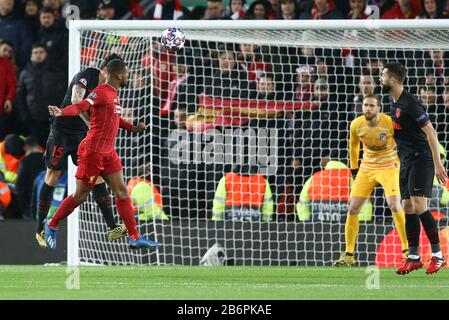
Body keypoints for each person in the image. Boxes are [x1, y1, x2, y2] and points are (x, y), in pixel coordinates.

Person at [45, 59, 161, 251]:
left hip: (108, 152)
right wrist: (62, 112)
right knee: (80, 196)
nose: (128, 76)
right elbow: (80, 105)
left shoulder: (115, 95)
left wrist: (133, 128)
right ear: (119, 75)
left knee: (122, 192)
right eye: (126, 73)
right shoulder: (100, 92)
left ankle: (134, 237)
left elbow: (116, 120)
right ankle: (52, 224)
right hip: (92, 152)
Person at [35, 54, 126, 249]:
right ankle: (40, 228)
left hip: (82, 137)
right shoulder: (87, 76)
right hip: (62, 131)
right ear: (106, 71)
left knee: (98, 176)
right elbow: (76, 103)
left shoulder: (109, 91)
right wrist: (92, 127)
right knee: (53, 175)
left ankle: (112, 227)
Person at [381, 61, 448, 275]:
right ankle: (413, 256)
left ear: (392, 79)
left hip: (422, 160)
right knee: (407, 206)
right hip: (407, 161)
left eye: (382, 76)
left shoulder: (410, 103)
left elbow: (431, 132)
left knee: (419, 205)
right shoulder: (395, 103)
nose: (380, 79)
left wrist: (438, 164)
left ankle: (438, 256)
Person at [334, 94, 408, 267]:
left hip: (389, 166)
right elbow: (353, 146)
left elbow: (404, 143)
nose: (367, 108)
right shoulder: (356, 124)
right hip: (367, 168)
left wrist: (404, 163)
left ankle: (407, 250)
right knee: (353, 207)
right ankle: (349, 254)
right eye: (365, 105)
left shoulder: (390, 123)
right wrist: (354, 169)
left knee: (395, 204)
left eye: (371, 106)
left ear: (379, 108)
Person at [296, 151, 373, 222]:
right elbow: (365, 205)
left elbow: (302, 204)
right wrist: (360, 225)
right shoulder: (350, 181)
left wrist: (306, 224)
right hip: (342, 230)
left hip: (316, 230)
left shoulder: (313, 178)